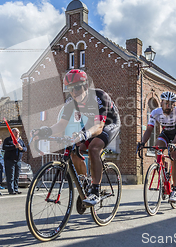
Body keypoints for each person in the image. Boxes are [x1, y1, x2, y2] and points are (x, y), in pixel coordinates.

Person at [31, 69, 121, 207]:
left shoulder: (99, 96)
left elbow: (99, 126)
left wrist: (83, 134)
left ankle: (95, 191)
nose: (74, 92)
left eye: (77, 87)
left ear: (85, 86)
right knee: (74, 149)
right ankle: (84, 184)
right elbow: (61, 125)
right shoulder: (71, 102)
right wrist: (46, 131)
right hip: (92, 124)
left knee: (93, 147)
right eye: (70, 89)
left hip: (109, 123)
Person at [139, 91, 176, 203]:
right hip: (165, 134)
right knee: (158, 147)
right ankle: (163, 171)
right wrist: (142, 143)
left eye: (170, 104)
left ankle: (174, 189)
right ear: (161, 103)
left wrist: (174, 143)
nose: (168, 106)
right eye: (165, 103)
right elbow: (149, 130)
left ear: (174, 104)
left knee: (174, 157)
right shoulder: (155, 112)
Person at [3, 129, 27, 195]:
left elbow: (25, 148)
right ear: (12, 133)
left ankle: (16, 189)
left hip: (18, 161)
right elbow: (4, 147)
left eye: (18, 132)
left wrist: (21, 148)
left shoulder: (20, 141)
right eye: (16, 132)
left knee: (16, 176)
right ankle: (11, 190)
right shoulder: (8, 140)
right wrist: (14, 146)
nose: (17, 134)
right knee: (10, 176)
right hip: (9, 160)